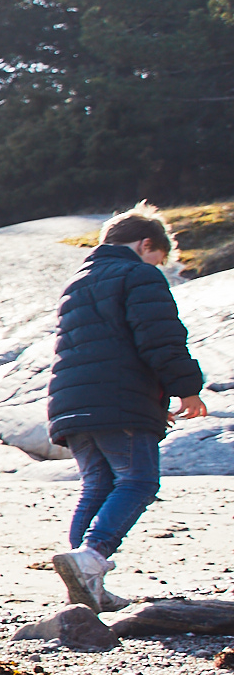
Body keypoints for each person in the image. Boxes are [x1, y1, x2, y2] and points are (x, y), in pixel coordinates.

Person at [48, 202, 209, 612]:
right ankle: (92, 557)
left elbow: (97, 350)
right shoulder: (139, 274)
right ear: (146, 244)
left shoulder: (78, 283)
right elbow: (159, 338)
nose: (161, 265)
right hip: (116, 402)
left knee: (97, 486)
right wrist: (186, 388)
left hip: (74, 402)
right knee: (138, 482)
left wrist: (150, 398)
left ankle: (86, 589)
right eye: (160, 257)